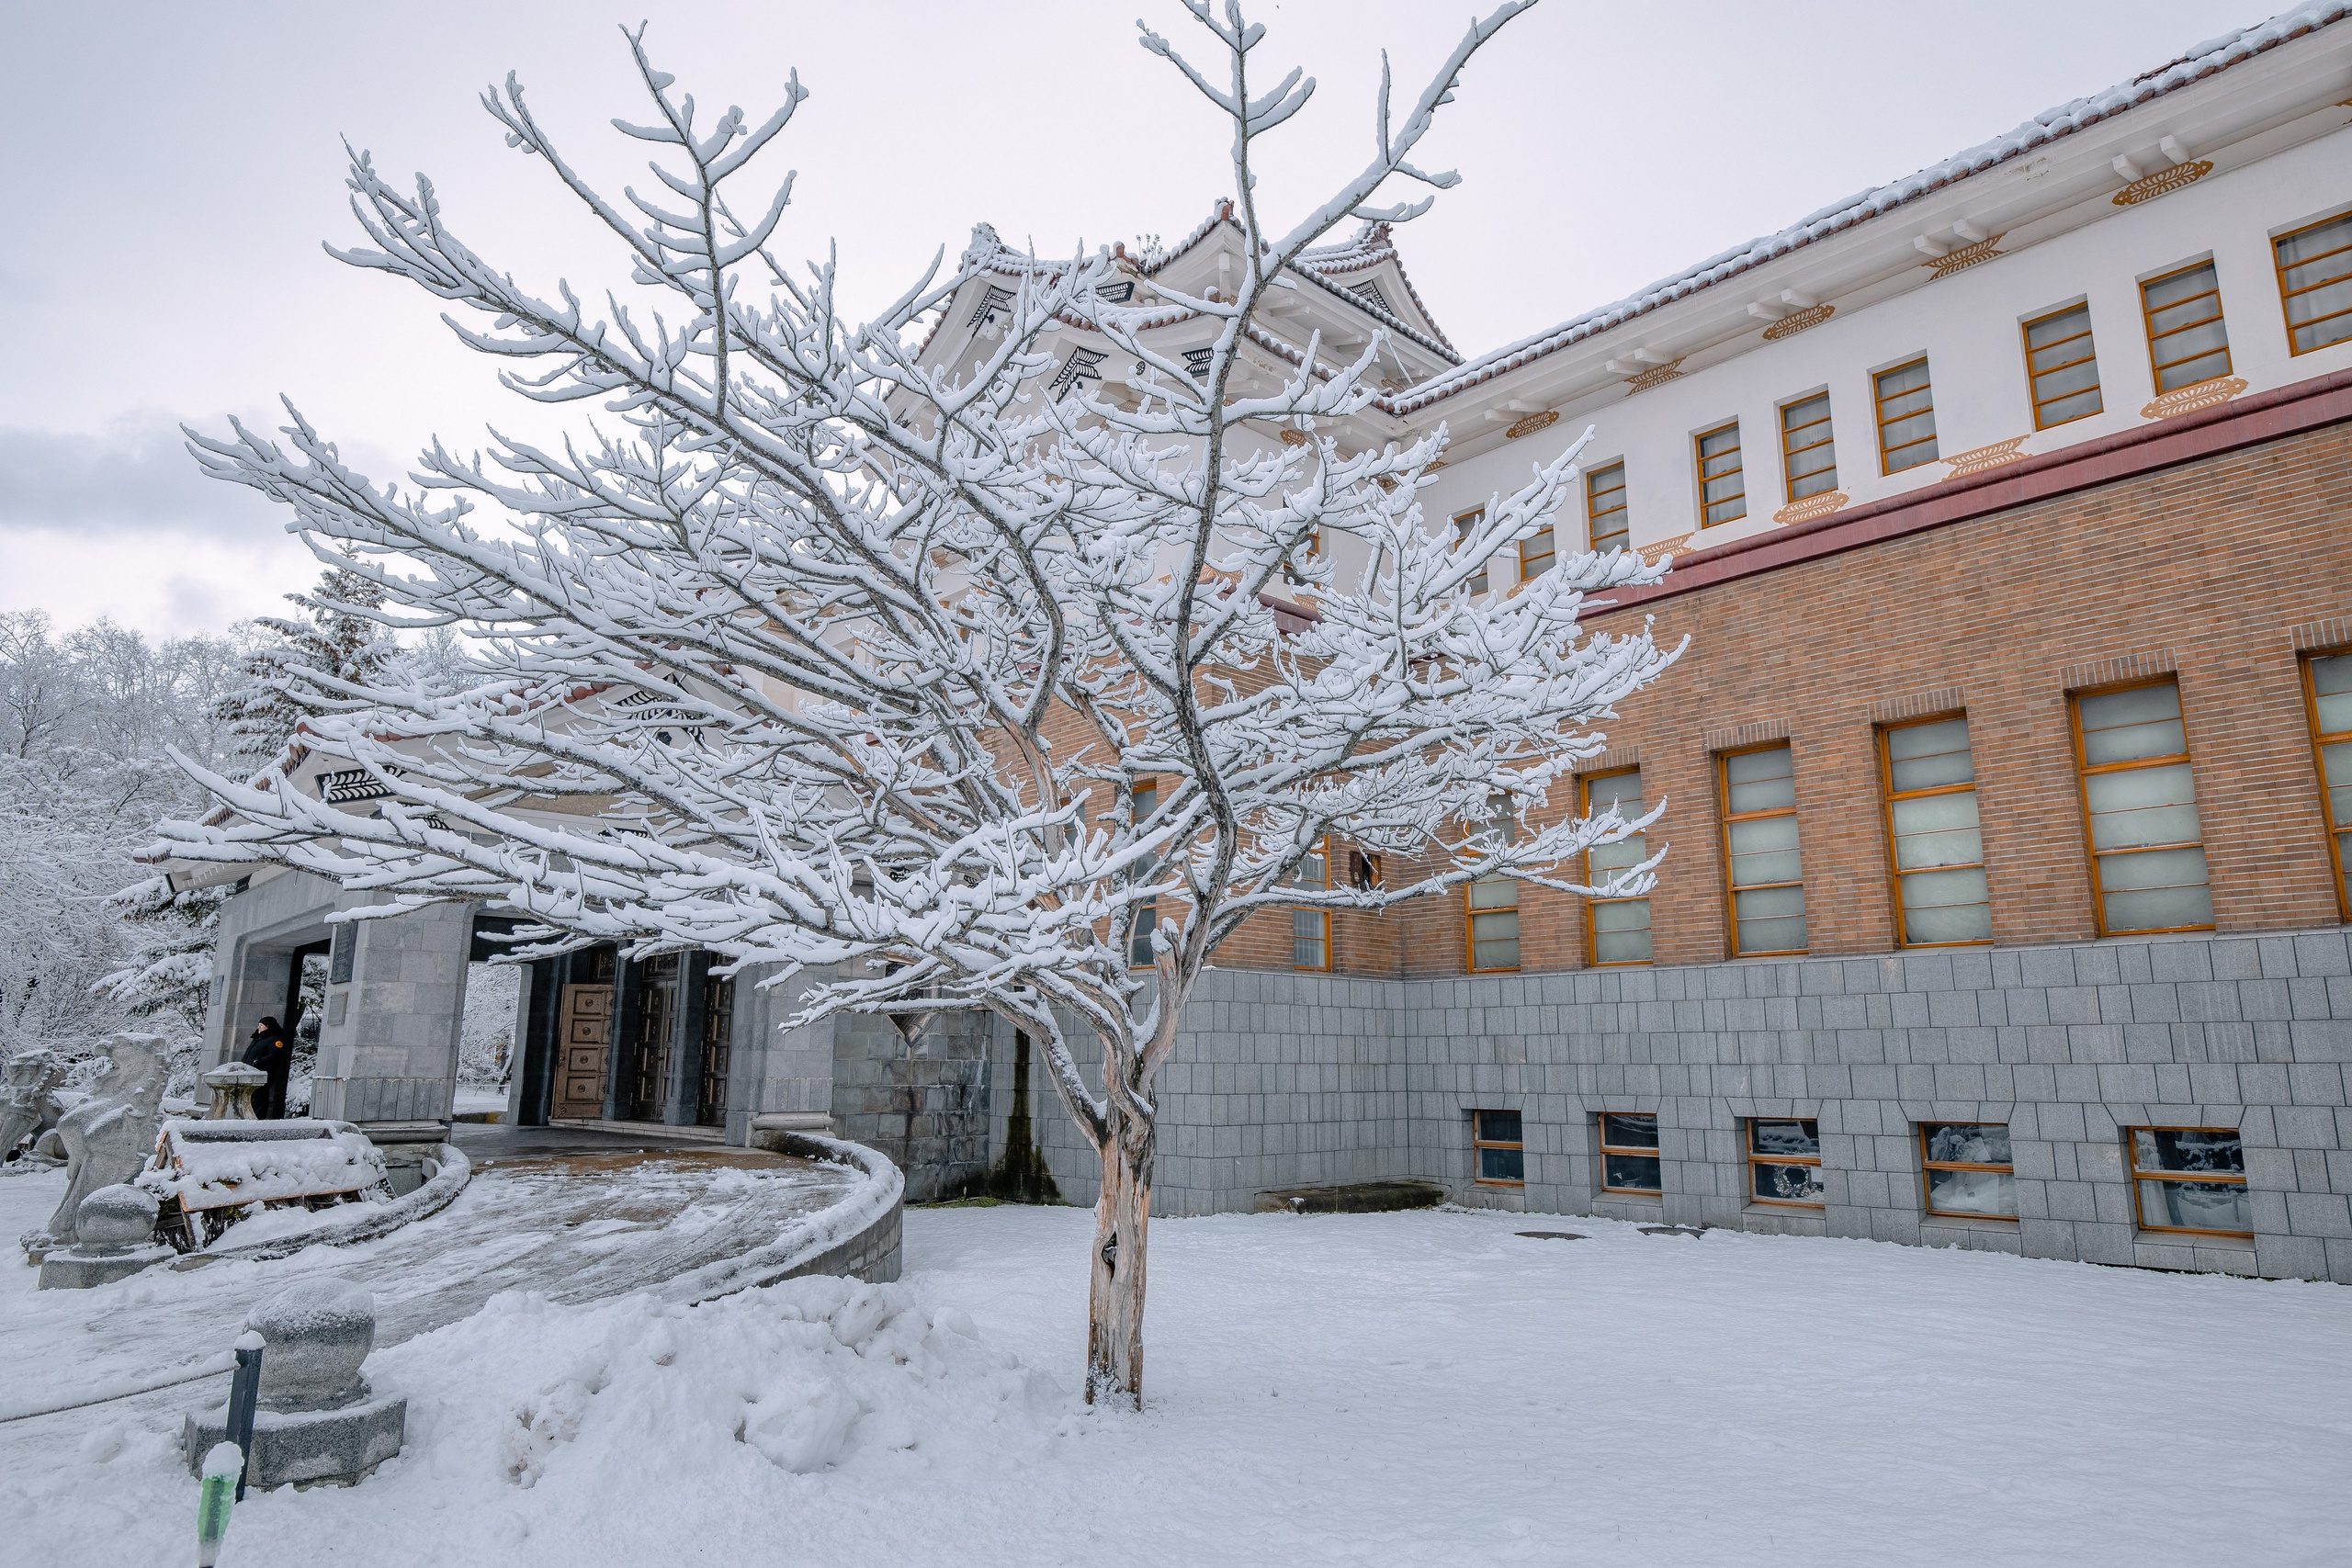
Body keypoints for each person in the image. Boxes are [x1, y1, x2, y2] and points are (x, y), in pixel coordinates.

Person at [239, 1016, 293, 1120]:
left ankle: (258, 1120)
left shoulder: (275, 1039)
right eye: (258, 1025)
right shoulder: (258, 1039)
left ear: (268, 1027)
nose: (258, 1028)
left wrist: (258, 1063)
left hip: (262, 1074)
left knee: (259, 1098)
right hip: (250, 1073)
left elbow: (274, 1056)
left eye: (261, 1026)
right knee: (251, 1098)